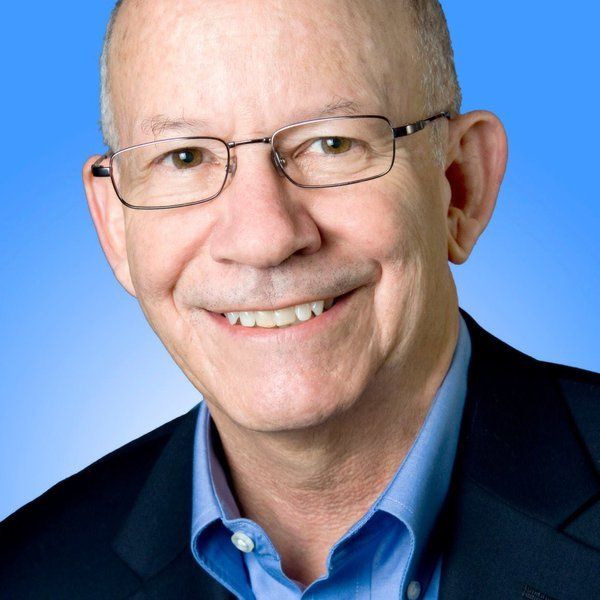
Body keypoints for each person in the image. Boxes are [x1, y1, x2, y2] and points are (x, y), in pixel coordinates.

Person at [1, 0, 598, 598]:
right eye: (184, 157)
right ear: (114, 228)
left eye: (332, 144)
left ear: (460, 186)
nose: (264, 239)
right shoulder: (27, 574)